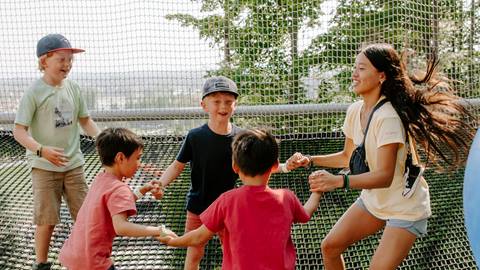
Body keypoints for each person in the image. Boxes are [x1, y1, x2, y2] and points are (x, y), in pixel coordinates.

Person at [286, 43, 476, 269]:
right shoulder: (355, 110)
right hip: (375, 201)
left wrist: (339, 181)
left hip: (405, 208)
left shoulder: (387, 117)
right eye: (354, 67)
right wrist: (310, 159)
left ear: (381, 76)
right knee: (330, 247)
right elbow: (348, 156)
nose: (354, 73)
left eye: (362, 68)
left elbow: (384, 176)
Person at [157, 128, 322, 269]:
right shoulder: (286, 197)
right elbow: (306, 213)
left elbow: (199, 236)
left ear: (235, 166)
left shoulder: (227, 201)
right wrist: (317, 191)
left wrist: (174, 241)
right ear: (274, 165)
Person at [13, 34, 101, 270]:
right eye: (61, 59)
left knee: (84, 217)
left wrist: (103, 139)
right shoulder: (34, 92)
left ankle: (88, 259)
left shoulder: (73, 88)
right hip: (44, 167)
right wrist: (42, 151)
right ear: (44, 61)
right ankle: (41, 264)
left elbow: (86, 121)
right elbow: (19, 131)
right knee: (47, 219)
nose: (67, 65)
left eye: (70, 60)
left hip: (73, 165)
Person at [58, 127, 176, 270]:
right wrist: (159, 230)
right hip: (93, 262)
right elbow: (121, 227)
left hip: (73, 255)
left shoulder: (101, 180)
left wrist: (142, 190)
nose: (139, 164)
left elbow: (117, 205)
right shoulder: (119, 188)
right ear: (120, 158)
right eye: (137, 158)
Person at [156, 76, 242, 270]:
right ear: (204, 105)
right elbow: (177, 166)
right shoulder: (195, 136)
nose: (223, 106)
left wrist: (286, 166)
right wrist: (161, 183)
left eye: (228, 102)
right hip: (199, 206)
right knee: (194, 253)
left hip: (227, 208)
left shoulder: (241, 137)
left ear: (235, 105)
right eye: (217, 101)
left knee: (232, 253)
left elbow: (257, 166)